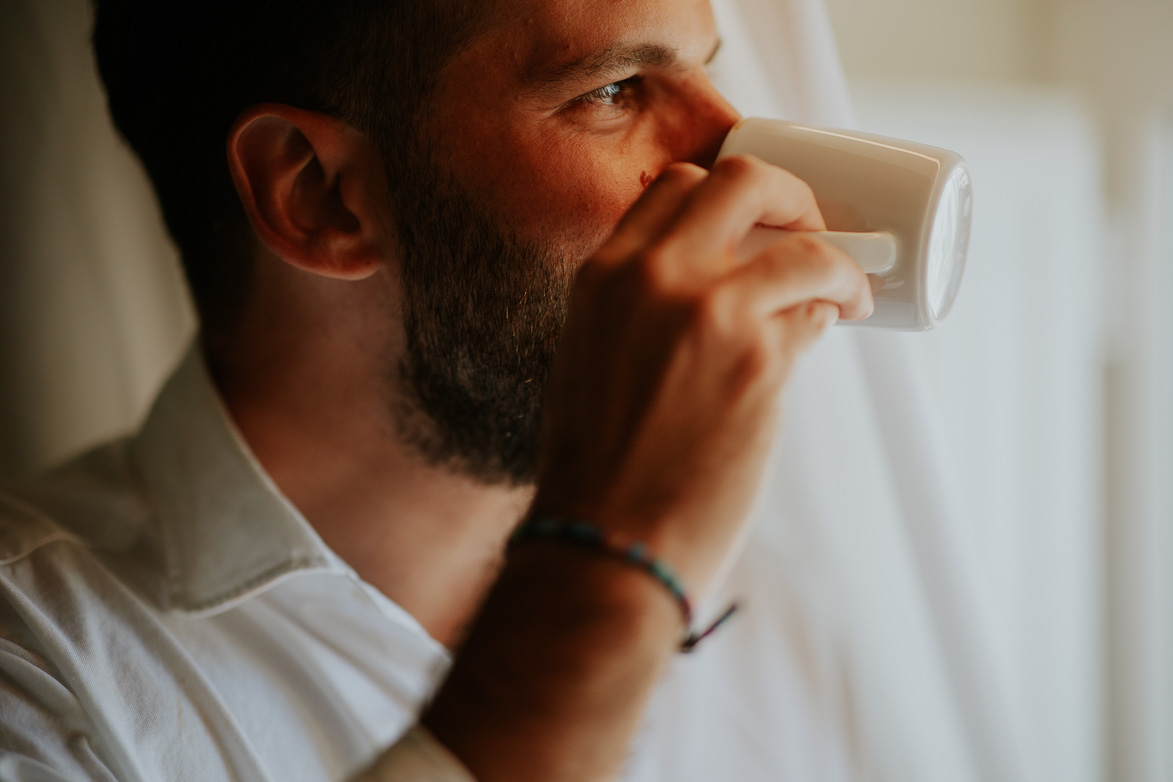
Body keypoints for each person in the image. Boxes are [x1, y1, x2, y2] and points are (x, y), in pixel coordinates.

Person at [0, 0, 875, 780]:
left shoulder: (781, 604)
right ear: (318, 195)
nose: (740, 167)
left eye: (705, 71)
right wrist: (610, 576)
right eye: (612, 91)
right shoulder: (37, 669)